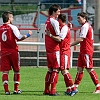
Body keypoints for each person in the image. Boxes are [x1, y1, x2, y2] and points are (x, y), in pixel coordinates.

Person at [0, 11, 32, 95]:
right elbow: (19, 37)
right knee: (16, 71)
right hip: (13, 51)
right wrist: (28, 35)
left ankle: (6, 91)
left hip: (3, 52)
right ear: (9, 18)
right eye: (12, 17)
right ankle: (16, 90)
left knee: (5, 72)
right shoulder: (13, 27)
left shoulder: (0, 28)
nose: (12, 19)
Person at [46, 13, 78, 96]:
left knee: (64, 71)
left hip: (65, 51)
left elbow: (60, 39)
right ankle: (69, 89)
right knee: (62, 70)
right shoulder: (64, 27)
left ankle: (73, 88)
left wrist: (50, 35)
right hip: (62, 51)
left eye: (57, 20)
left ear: (60, 20)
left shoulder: (64, 28)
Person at [71, 12, 100, 94]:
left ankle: (98, 87)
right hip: (83, 50)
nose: (78, 19)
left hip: (86, 50)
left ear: (84, 18)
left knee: (89, 68)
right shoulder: (86, 26)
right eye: (77, 18)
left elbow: (81, 39)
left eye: (79, 18)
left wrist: (70, 45)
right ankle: (75, 87)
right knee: (80, 69)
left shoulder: (85, 26)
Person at [44, 4, 61, 96]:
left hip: (49, 50)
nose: (59, 13)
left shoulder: (47, 21)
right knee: (56, 69)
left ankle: (46, 90)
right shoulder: (55, 22)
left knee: (50, 70)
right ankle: (53, 91)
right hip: (54, 49)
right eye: (58, 11)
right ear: (54, 12)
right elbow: (58, 38)